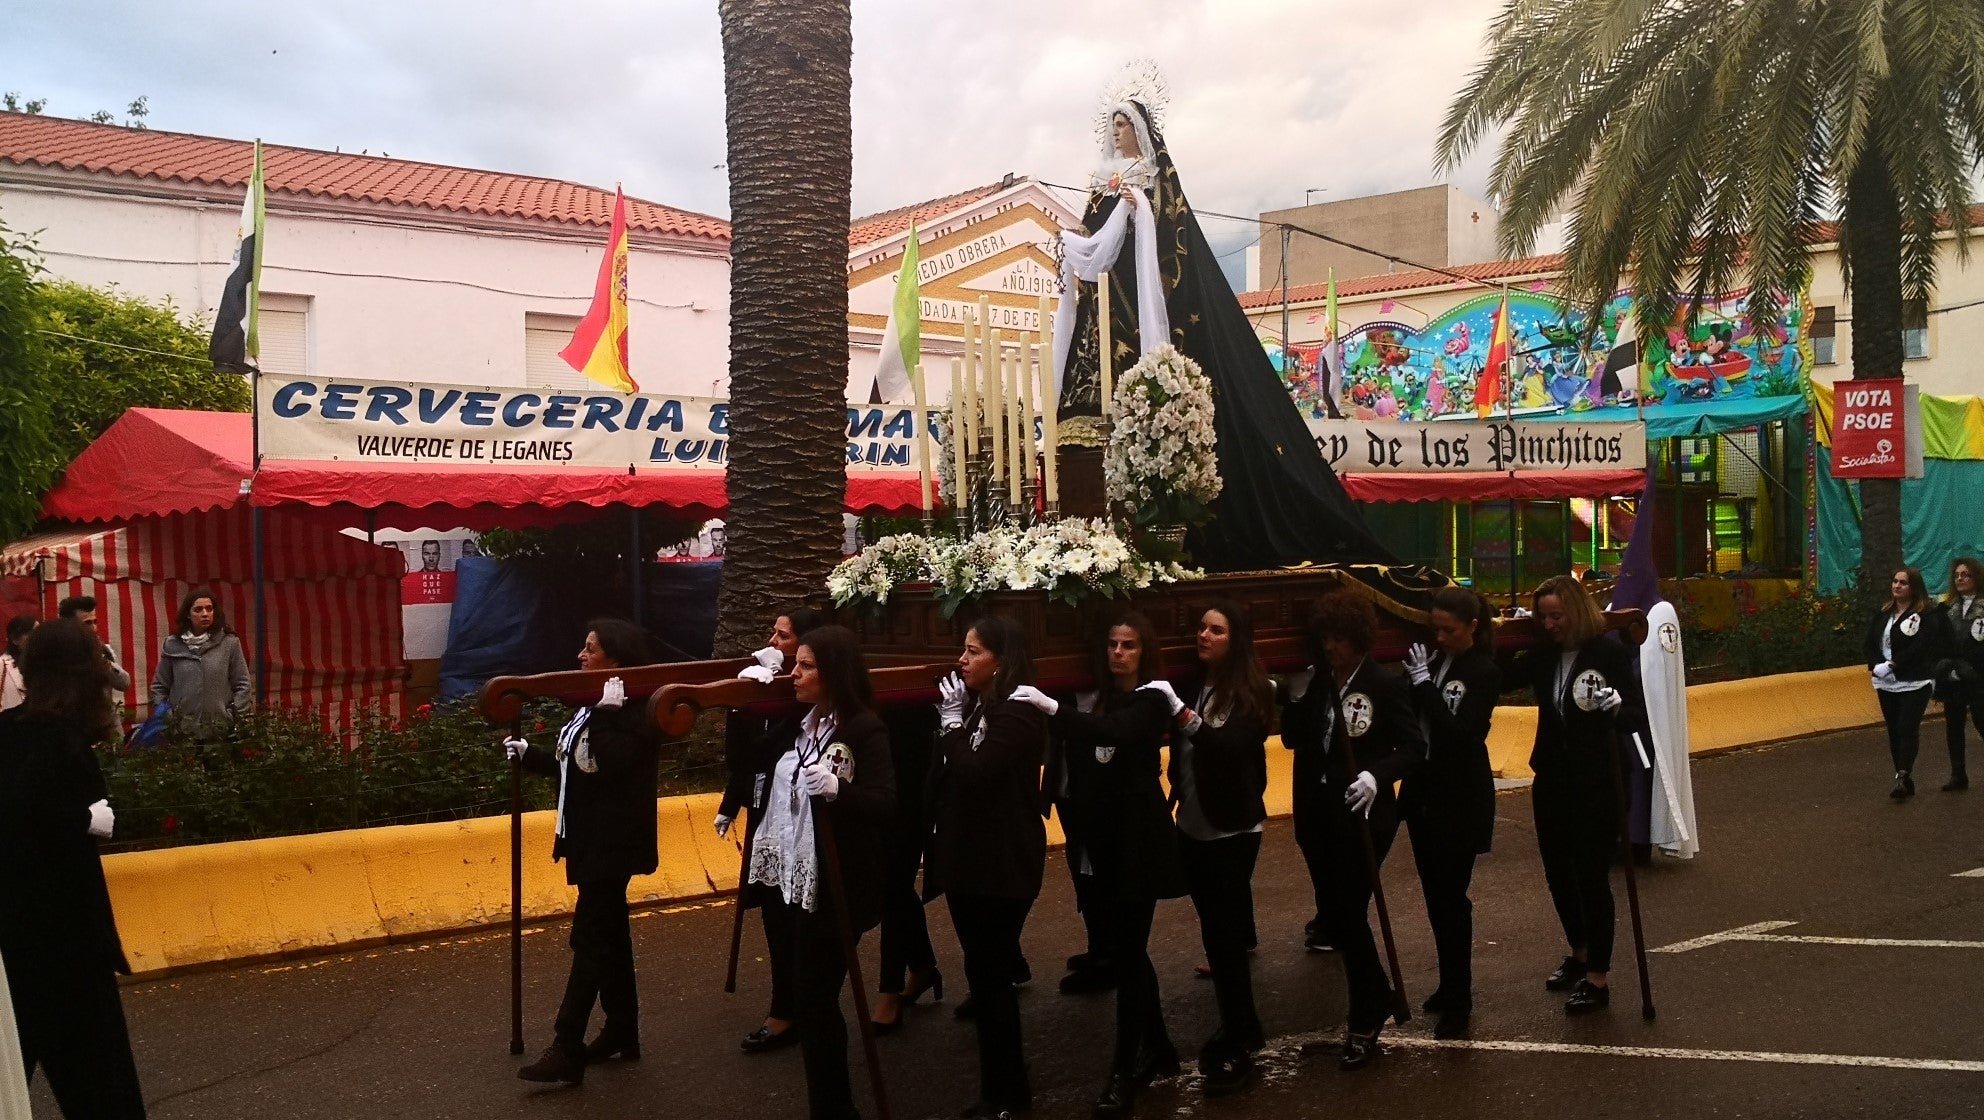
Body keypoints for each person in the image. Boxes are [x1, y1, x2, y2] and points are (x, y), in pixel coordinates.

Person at [1048, 66, 1446, 613]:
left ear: (1142, 132)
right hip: (1103, 310)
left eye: (1124, 123)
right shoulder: (1103, 187)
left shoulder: (1149, 185)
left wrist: (1130, 214)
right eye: (1112, 124)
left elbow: (1165, 249)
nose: (1116, 132)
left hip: (1140, 307)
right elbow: (1093, 248)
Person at [1010, 612, 1186, 1118]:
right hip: (1107, 845)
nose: (1118, 653)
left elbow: (1115, 731)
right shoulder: (1102, 697)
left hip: (1139, 846)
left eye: (1129, 645)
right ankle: (1158, 1048)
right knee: (1128, 952)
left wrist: (1050, 709)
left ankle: (1125, 1070)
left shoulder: (1153, 698)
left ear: (1143, 652)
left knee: (1130, 954)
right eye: (1112, 644)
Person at [738, 625, 895, 1120]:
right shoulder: (801, 723)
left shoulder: (863, 728)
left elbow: (886, 805)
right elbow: (749, 762)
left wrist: (837, 792)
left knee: (816, 998)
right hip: (794, 879)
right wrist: (748, 704)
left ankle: (834, 1108)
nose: (795, 674)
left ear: (833, 674)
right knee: (811, 998)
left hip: (837, 884)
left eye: (805, 666)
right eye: (794, 664)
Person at [0, 619, 147, 1117]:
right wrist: (83, 819)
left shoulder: (9, 730)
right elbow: (23, 815)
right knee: (103, 1091)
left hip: (15, 946)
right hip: (65, 945)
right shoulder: (62, 741)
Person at [508, 619, 662, 1086]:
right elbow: (574, 767)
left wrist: (609, 714)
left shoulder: (634, 710)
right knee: (609, 935)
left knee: (590, 939)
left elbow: (609, 764)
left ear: (615, 660)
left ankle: (567, 1044)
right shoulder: (597, 705)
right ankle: (622, 1028)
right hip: (590, 837)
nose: (581, 654)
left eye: (591, 648)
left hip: (613, 842)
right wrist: (532, 755)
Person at [1281, 593, 1424, 1067]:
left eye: (1338, 639)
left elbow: (1412, 746)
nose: (1331, 647)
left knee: (1347, 913)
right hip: (1320, 815)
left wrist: (1376, 775)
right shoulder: (1321, 680)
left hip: (1365, 817)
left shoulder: (1382, 683)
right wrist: (1297, 696)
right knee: (1339, 914)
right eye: (1324, 638)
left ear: (1358, 638)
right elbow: (1292, 738)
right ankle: (1377, 995)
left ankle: (1367, 1010)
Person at [1139, 601, 1269, 1096]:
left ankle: (1241, 1029)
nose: (1204, 636)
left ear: (1236, 639)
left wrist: (1182, 714)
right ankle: (1241, 1021)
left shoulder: (1252, 689)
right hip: (1194, 822)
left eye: (1216, 630)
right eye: (1201, 628)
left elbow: (1229, 744)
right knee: (1216, 933)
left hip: (1232, 830)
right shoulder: (1201, 682)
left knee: (1226, 934)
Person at [927, 617, 1047, 1119]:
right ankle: (1001, 1090)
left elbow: (978, 773)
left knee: (993, 982)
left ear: (1000, 660)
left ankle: (1008, 1096)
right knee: (983, 979)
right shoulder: (981, 707)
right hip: (971, 864)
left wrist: (952, 726)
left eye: (973, 651)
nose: (962, 660)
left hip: (1002, 866)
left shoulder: (1018, 712)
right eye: (963, 649)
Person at [1516, 575, 1645, 1015]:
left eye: (1557, 615)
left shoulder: (1606, 652)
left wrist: (1615, 708)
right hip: (1553, 777)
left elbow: (1634, 714)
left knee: (1591, 876)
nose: (1549, 624)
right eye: (1543, 616)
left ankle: (1599, 977)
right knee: (1557, 871)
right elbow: (1501, 675)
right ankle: (1580, 950)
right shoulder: (1544, 656)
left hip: (1598, 780)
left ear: (1576, 612)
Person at [719, 606, 827, 1053]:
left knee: (802, 923)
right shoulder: (771, 686)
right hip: (770, 820)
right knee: (774, 914)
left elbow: (764, 749)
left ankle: (797, 1008)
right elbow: (741, 760)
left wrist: (756, 709)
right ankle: (787, 1006)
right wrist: (741, 703)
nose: (772, 641)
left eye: (783, 636)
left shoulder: (800, 705)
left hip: (808, 831)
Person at [1399, 587, 1501, 1039]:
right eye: (1435, 629)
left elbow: (1462, 735)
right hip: (1424, 795)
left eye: (1449, 630)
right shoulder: (1437, 663)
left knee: (1451, 899)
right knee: (1435, 899)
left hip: (1459, 799)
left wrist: (1424, 686)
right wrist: (1414, 682)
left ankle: (1460, 998)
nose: (1439, 637)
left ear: (1472, 627)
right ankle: (1448, 983)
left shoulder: (1482, 670)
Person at [1865, 567, 1952, 800]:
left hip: (1915, 680)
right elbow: (1870, 643)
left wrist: (1894, 664)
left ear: (1914, 587)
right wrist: (1876, 665)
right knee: (1894, 730)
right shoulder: (1883, 614)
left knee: (1907, 727)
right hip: (1886, 682)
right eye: (1895, 581)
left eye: (1903, 583)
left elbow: (1922, 646)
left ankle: (1904, 774)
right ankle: (1901, 775)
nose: (1897, 586)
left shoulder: (1926, 615)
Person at [150, 589, 251, 737]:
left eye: (209, 609)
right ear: (188, 614)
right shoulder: (173, 644)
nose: (205, 614)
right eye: (198, 609)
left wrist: (232, 715)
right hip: (182, 733)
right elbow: (159, 687)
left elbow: (243, 684)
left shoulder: (229, 643)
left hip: (219, 731)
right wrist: (169, 718)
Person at [1937, 557, 1984, 791]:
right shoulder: (1947, 608)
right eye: (1957, 575)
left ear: (1976, 577)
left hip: (1978, 675)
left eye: (1965, 575)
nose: (1960, 579)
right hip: (1953, 676)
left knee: (1981, 721)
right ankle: (1958, 775)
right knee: (1953, 726)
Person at [57, 596, 132, 696]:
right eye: (87, 623)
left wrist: (101, 658)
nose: (93, 627)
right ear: (69, 625)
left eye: (94, 622)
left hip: (100, 710)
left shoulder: (103, 651)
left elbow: (124, 684)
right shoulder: (57, 652)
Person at [0, 615, 35, 711]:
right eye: (32, 633)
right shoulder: (2, 665)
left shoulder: (46, 665)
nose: (37, 637)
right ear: (15, 639)